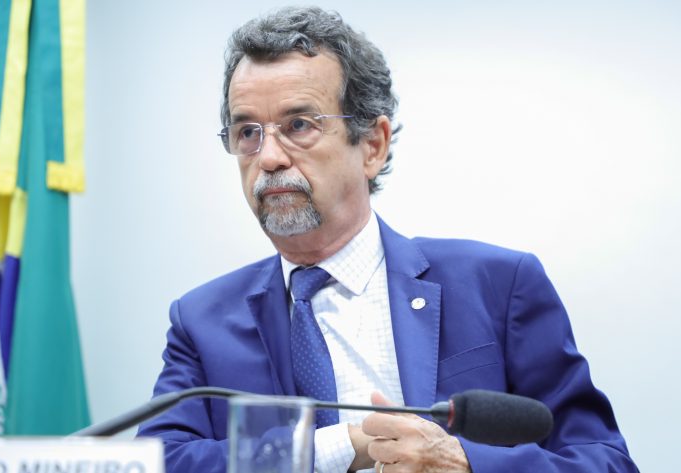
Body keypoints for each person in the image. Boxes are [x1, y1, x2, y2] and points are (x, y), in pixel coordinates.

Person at [137, 6, 639, 473]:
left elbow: (605, 461)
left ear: (372, 145)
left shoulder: (498, 285)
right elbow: (159, 462)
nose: (268, 157)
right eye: (248, 132)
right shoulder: (201, 322)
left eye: (298, 125)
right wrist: (342, 445)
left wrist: (464, 464)